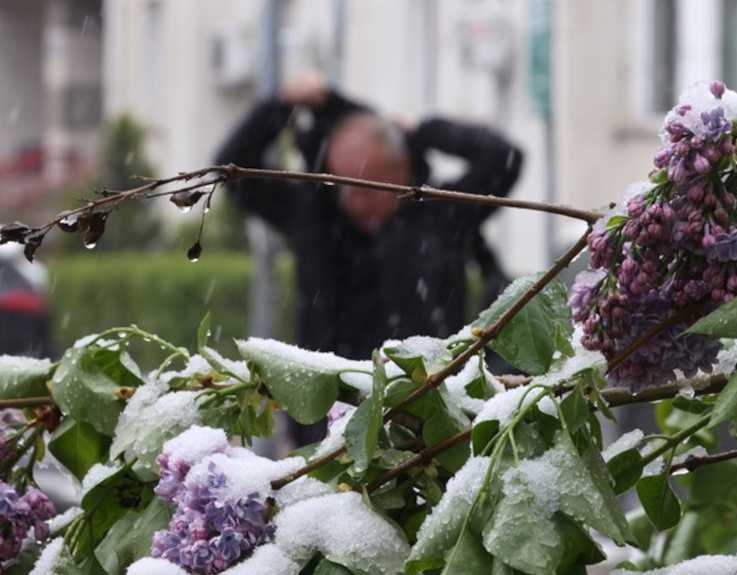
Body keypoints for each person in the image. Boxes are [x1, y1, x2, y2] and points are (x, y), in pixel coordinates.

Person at [215, 76, 522, 443]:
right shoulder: (316, 219)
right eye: (346, 187)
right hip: (327, 422)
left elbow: (503, 158)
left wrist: (422, 133)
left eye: (370, 187)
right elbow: (233, 171)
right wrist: (280, 107)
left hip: (427, 419)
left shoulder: (439, 214)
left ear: (401, 171)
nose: (356, 202)